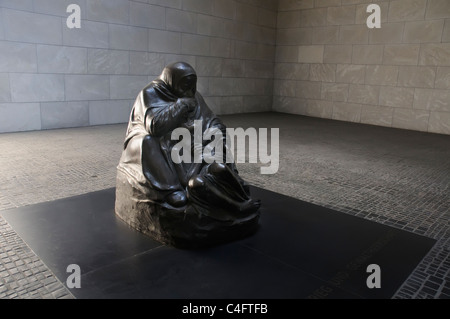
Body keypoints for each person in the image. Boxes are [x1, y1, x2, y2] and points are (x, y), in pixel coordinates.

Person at [116, 62, 260, 248]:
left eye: (193, 85)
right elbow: (154, 126)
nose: (190, 90)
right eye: (185, 85)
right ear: (171, 81)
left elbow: (211, 119)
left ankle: (220, 180)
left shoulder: (193, 95)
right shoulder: (150, 93)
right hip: (153, 142)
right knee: (147, 142)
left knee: (212, 138)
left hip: (185, 143)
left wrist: (214, 129)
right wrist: (181, 106)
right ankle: (170, 190)